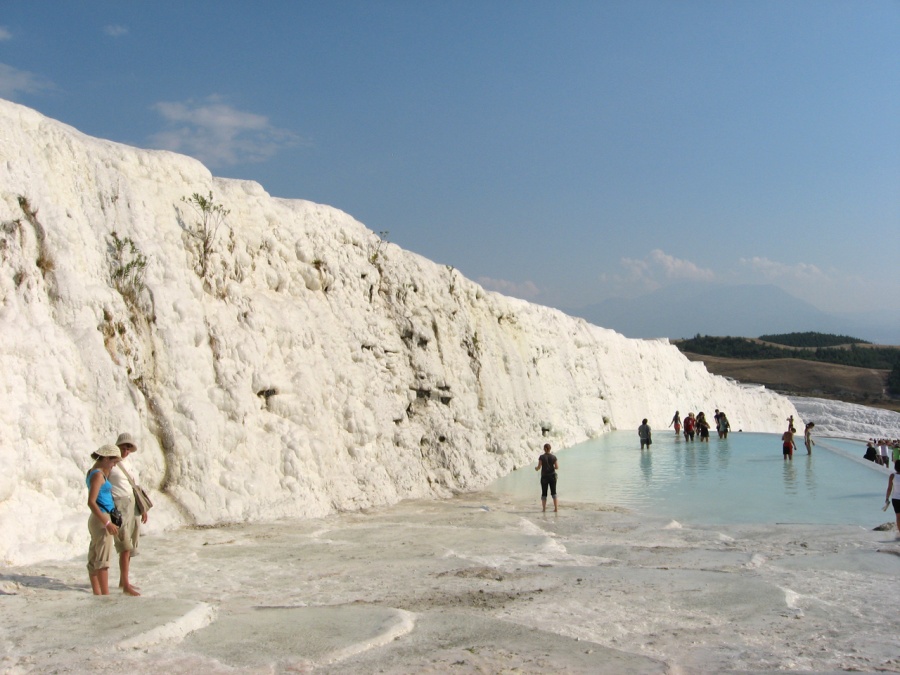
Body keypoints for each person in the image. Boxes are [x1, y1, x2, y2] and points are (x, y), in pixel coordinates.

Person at [110, 432, 146, 596]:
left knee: (130, 544)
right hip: (119, 504)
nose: (126, 451)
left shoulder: (128, 464)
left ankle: (123, 581)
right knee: (124, 545)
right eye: (124, 447)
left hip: (132, 504)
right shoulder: (109, 463)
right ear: (117, 446)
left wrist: (142, 509)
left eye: (129, 448)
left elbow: (134, 486)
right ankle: (125, 585)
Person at [86, 444, 122, 595]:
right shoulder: (98, 475)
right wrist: (107, 523)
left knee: (95, 557)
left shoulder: (93, 472)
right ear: (106, 458)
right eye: (113, 461)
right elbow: (91, 501)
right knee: (103, 560)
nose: (114, 465)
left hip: (98, 518)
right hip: (101, 518)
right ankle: (105, 596)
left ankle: (97, 594)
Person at [535, 443, 558, 512]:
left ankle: (544, 509)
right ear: (550, 449)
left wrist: (536, 468)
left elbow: (539, 467)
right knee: (554, 493)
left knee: (544, 493)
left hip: (544, 477)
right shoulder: (554, 457)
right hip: (552, 477)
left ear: (544, 449)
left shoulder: (541, 457)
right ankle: (556, 508)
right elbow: (557, 467)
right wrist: (551, 467)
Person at [884, 463, 900, 536]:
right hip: (896, 499)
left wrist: (887, 498)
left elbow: (889, 488)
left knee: (898, 516)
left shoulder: (892, 476)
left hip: (895, 499)